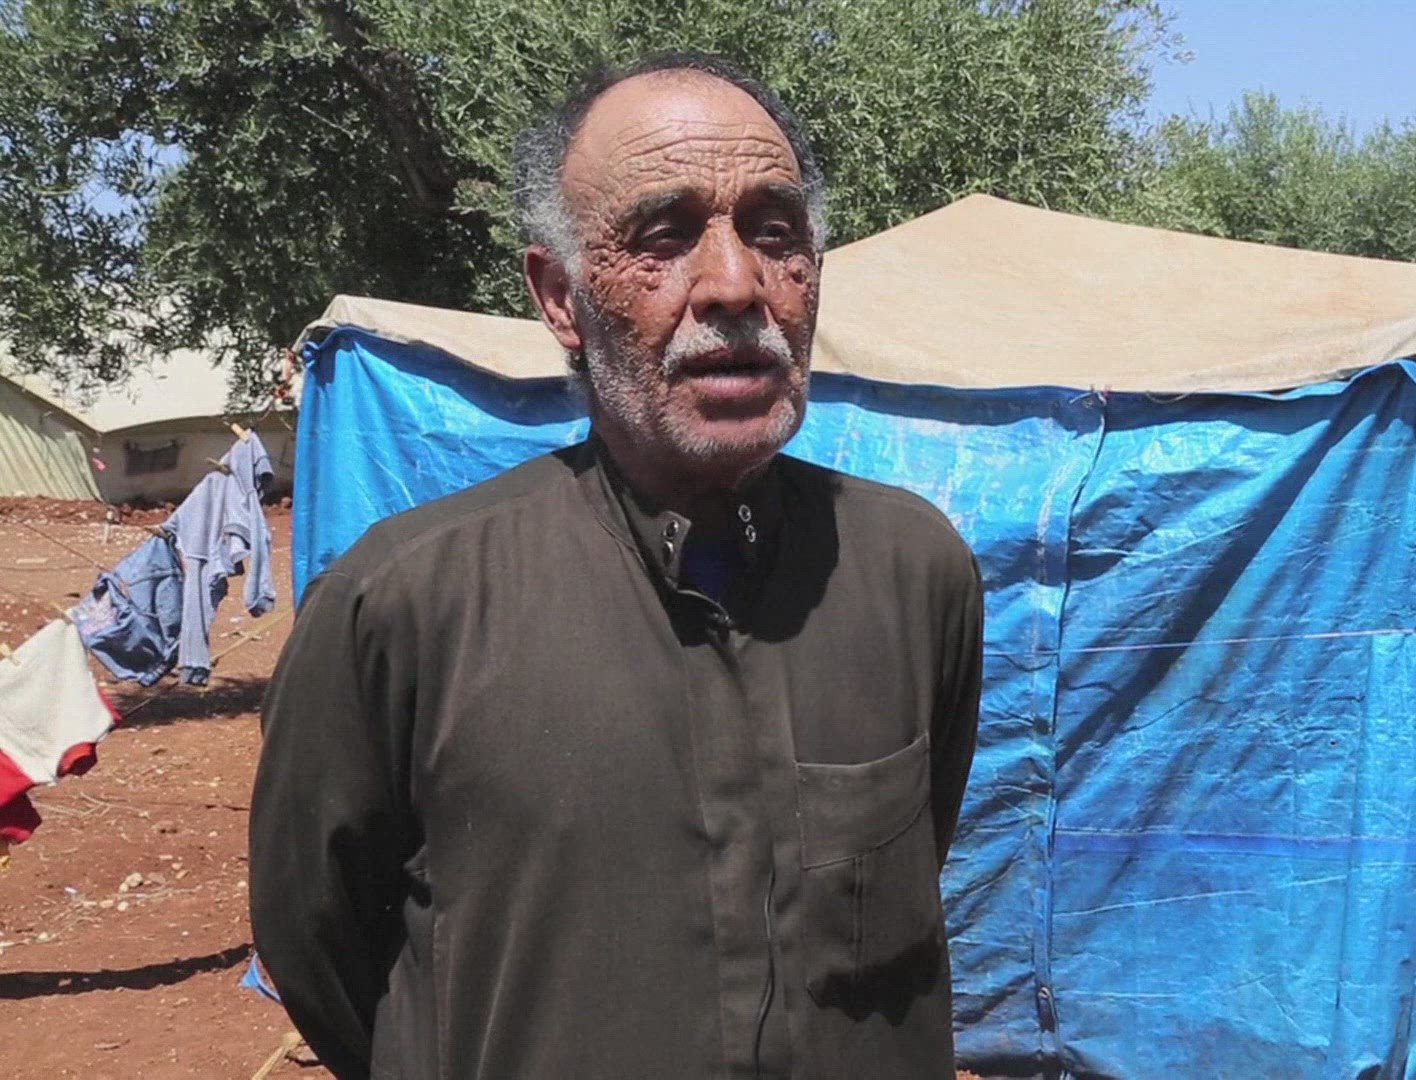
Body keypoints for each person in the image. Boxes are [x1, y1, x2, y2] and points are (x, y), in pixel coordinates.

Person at [249, 52, 984, 1080]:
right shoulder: (404, 608)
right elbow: (324, 952)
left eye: (775, 233)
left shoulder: (913, 574)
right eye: (663, 236)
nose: (735, 284)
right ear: (560, 297)